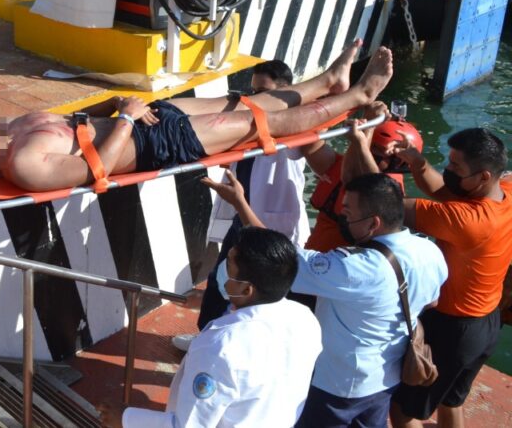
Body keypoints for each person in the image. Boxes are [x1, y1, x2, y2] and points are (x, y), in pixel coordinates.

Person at [0, 41, 394, 193]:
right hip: (151, 143)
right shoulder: (21, 165)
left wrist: (115, 106)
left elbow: (77, 119)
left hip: (142, 120)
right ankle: (359, 93)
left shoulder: (12, 129)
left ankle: (327, 81)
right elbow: (94, 171)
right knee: (260, 125)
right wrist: (126, 120)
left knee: (242, 103)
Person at [210, 171, 447, 428]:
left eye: (348, 213)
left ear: (373, 223)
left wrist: (241, 203)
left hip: (338, 384)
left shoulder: (353, 268)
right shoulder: (430, 252)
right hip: (386, 377)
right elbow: (431, 302)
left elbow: (278, 260)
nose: (343, 218)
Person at [105, 227, 322, 427]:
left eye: (228, 266)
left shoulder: (221, 347)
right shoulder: (305, 320)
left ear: (246, 290)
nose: (222, 271)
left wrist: (125, 418)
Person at [391, 128, 512, 428]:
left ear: (483, 176)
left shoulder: (467, 220)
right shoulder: (505, 192)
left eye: (455, 166)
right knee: (451, 400)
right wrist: (417, 162)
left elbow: (388, 208)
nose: (448, 168)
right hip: (487, 323)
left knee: (403, 410)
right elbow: (443, 192)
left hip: (451, 328)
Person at [194, 60, 310, 335]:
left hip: (270, 225)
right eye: (252, 91)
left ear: (285, 93)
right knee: (219, 277)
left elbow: (305, 144)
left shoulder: (293, 126)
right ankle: (205, 333)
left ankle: (239, 338)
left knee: (263, 288)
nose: (255, 99)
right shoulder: (250, 120)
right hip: (240, 215)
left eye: (263, 92)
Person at [303, 102, 423, 252]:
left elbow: (371, 186)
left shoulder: (392, 191)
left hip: (351, 262)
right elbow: (310, 144)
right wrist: (343, 103)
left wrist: (366, 130)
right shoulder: (337, 164)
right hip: (314, 258)